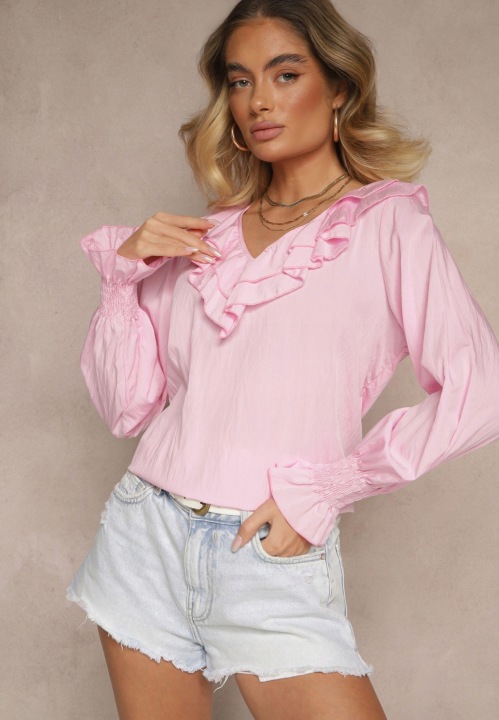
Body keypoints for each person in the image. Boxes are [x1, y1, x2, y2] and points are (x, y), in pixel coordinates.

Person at [66, 1, 499, 718]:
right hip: (145, 536)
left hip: (268, 551)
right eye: (240, 81)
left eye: (285, 73)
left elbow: (480, 390)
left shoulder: (387, 223)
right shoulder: (202, 237)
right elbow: (126, 409)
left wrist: (327, 490)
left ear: (339, 88)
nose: (258, 100)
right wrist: (121, 280)